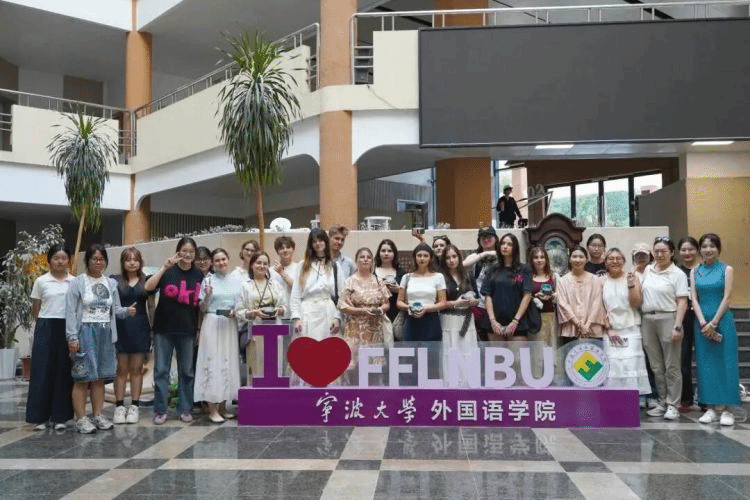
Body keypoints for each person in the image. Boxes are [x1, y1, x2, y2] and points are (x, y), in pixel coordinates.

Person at [66, 244, 136, 434]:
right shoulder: (77, 283)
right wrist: (72, 337)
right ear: (87, 260)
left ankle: (98, 415)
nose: (98, 262)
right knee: (82, 377)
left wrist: (127, 311)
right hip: (85, 332)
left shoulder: (110, 283)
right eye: (95, 259)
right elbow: (70, 312)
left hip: (106, 333)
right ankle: (81, 419)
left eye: (102, 259)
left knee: (99, 377)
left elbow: (116, 309)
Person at [145, 237, 204, 425]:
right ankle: (160, 410)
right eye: (184, 251)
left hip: (187, 329)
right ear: (178, 251)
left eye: (191, 252)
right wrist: (163, 267)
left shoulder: (199, 275)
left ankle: (185, 409)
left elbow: (200, 306)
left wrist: (198, 328)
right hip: (163, 329)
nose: (188, 254)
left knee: (187, 371)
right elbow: (148, 287)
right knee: (161, 371)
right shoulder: (168, 271)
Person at [692, 234, 741, 426]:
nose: (708, 250)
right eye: (704, 246)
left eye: (712, 246)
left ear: (718, 249)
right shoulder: (695, 271)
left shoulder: (726, 269)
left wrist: (714, 323)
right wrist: (703, 323)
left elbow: (727, 298)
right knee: (706, 365)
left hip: (723, 322)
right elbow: (694, 299)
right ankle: (711, 408)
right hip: (702, 325)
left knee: (727, 364)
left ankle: (728, 410)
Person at [25, 244, 74, 431]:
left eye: (63, 258)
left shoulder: (74, 281)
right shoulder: (41, 281)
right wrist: (42, 325)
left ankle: (61, 416)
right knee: (42, 371)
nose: (60, 261)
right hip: (45, 326)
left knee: (63, 371)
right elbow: (36, 309)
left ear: (69, 260)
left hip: (66, 327)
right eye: (56, 258)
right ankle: (40, 418)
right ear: (49, 260)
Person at [640, 236, 689, 421]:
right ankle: (662, 401)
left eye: (664, 251)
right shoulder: (648, 269)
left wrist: (677, 326)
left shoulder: (678, 274)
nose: (659, 254)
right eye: (657, 251)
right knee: (656, 366)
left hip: (668, 318)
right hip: (648, 319)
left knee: (672, 365)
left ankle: (673, 404)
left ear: (672, 253)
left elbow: (682, 301)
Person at [194, 248, 245, 423]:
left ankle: (223, 406)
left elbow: (240, 302)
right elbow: (202, 308)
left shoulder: (236, 280)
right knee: (212, 363)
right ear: (212, 263)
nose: (221, 263)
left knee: (227, 362)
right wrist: (207, 295)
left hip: (229, 324)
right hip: (212, 323)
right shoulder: (208, 280)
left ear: (228, 259)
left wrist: (236, 311)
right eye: (217, 260)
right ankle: (212, 408)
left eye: (223, 259)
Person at [111, 248, 153, 425]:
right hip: (121, 327)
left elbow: (151, 306)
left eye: (135, 259)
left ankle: (134, 406)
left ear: (140, 262)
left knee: (137, 369)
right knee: (121, 369)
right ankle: (119, 406)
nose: (132, 263)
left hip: (140, 327)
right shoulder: (114, 281)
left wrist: (153, 329)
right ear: (123, 262)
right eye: (128, 260)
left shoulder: (147, 280)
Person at [337, 247, 391, 384]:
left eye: (368, 257)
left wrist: (380, 310)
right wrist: (362, 311)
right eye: (362, 257)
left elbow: (387, 304)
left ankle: (373, 395)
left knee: (374, 368)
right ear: (357, 261)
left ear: (372, 261)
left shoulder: (378, 281)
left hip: (374, 331)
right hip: (355, 330)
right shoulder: (350, 281)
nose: (365, 259)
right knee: (353, 368)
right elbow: (342, 305)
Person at [602, 248, 650, 394]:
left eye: (618, 258)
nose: (615, 261)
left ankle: (631, 399)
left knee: (630, 365)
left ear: (624, 261)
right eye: (611, 258)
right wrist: (609, 328)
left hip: (631, 328)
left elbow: (636, 304)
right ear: (605, 262)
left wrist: (630, 285)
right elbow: (600, 307)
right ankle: (614, 400)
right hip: (610, 329)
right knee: (613, 366)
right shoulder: (601, 280)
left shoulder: (632, 277)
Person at [396, 243, 446, 383]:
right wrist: (409, 307)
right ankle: (410, 391)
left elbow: (443, 302)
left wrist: (426, 309)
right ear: (414, 258)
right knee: (410, 358)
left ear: (430, 258)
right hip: (411, 321)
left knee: (431, 359)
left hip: (431, 321)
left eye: (425, 255)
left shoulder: (438, 277)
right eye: (419, 255)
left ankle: (429, 391)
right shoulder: (407, 277)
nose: (422, 258)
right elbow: (399, 302)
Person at [290, 228, 342, 341]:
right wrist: (296, 318)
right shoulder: (302, 265)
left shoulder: (334, 265)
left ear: (326, 242)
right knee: (307, 348)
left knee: (328, 349)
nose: (318, 244)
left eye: (321, 240)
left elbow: (342, 295)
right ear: (311, 244)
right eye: (314, 241)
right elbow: (296, 293)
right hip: (307, 312)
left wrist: (337, 317)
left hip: (328, 312)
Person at [482, 233, 533, 341]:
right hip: (494, 322)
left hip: (518, 321)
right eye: (503, 243)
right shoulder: (492, 269)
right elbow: (487, 296)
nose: (505, 246)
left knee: (518, 352)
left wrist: (515, 321)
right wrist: (493, 321)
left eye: (509, 244)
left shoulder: (524, 269)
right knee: (497, 352)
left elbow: (527, 295)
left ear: (515, 248)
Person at [439, 244, 479, 380]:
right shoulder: (440, 277)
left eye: (454, 256)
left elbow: (478, 298)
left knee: (468, 352)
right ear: (444, 260)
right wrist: (456, 303)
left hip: (467, 319)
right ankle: (451, 386)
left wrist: (473, 301)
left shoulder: (467, 274)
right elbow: (438, 303)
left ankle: (468, 386)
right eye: (448, 258)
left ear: (459, 257)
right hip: (448, 319)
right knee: (450, 352)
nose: (451, 260)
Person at [556, 246, 607, 344]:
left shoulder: (596, 280)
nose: (577, 260)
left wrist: (587, 325)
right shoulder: (562, 281)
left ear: (586, 259)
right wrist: (579, 325)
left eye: (581, 257)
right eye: (574, 256)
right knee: (571, 354)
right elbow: (562, 304)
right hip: (571, 329)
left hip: (592, 328)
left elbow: (597, 303)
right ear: (569, 259)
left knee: (592, 354)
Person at [677, 236, 700, 412]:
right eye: (683, 250)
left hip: (701, 318)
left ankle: (706, 399)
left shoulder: (703, 270)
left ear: (697, 251)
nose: (687, 253)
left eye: (690, 249)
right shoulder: (676, 272)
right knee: (683, 360)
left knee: (704, 360)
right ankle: (686, 399)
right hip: (682, 319)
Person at [465, 226, 499, 341]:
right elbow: (462, 265)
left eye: (489, 237)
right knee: (479, 341)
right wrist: (484, 254)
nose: (486, 240)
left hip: (497, 307)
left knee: (497, 344)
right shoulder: (475, 257)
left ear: (495, 238)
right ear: (479, 241)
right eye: (483, 238)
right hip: (479, 306)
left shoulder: (502, 257)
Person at [528, 246, 558, 369]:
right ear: (531, 260)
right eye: (536, 257)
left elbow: (559, 294)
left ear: (546, 259)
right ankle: (536, 376)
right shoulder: (528, 276)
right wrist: (535, 297)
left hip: (550, 317)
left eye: (542, 257)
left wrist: (552, 296)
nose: (539, 260)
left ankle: (551, 376)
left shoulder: (553, 276)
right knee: (537, 349)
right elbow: (523, 297)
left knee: (551, 347)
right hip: (534, 318)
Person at [374, 239, 405, 324]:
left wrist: (399, 290)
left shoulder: (401, 273)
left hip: (396, 315)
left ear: (394, 253)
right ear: (379, 253)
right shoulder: (371, 271)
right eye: (383, 251)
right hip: (375, 313)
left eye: (389, 251)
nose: (386, 253)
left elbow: (410, 294)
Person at [270, 236, 299, 319]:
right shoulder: (270, 270)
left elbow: (298, 288)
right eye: (281, 248)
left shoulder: (299, 268)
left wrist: (281, 272)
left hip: (294, 314)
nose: (285, 250)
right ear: (277, 252)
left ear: (293, 249)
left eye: (288, 247)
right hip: (276, 316)